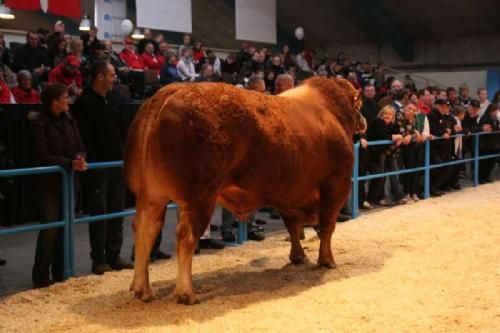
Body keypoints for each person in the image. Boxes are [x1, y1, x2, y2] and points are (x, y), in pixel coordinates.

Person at [73, 61, 133, 275]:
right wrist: (92, 161)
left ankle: (114, 254)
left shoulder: (116, 100)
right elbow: (83, 136)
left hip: (117, 164)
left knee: (117, 211)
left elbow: (123, 130)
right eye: (111, 75)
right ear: (99, 76)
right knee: (99, 213)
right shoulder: (83, 102)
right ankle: (98, 259)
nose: (114, 78)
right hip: (97, 167)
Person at [32, 83, 87, 288]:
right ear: (54, 101)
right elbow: (41, 154)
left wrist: (80, 158)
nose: (68, 101)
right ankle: (40, 275)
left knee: (66, 227)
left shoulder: (70, 121)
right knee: (50, 229)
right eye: (65, 97)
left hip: (68, 181)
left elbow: (81, 145)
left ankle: (62, 271)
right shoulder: (41, 123)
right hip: (49, 184)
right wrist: (68, 163)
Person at [366, 105, 407, 206]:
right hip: (372, 153)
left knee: (383, 175)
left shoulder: (390, 125)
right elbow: (386, 136)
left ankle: (379, 198)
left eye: (390, 114)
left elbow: (397, 133)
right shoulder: (378, 121)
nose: (387, 116)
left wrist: (400, 137)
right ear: (381, 114)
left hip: (384, 153)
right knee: (379, 175)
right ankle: (373, 199)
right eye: (385, 113)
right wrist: (399, 137)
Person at [427, 98, 455, 196]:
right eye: (442, 106)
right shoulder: (432, 115)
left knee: (447, 166)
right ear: (437, 105)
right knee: (437, 165)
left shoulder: (442, 116)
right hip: (434, 147)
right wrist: (443, 132)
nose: (444, 108)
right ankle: (431, 187)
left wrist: (447, 130)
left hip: (443, 147)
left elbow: (445, 128)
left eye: (446, 107)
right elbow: (433, 129)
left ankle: (435, 186)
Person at [478, 103, 500, 183]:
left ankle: (487, 176)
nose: (496, 112)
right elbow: (487, 128)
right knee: (484, 162)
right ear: (490, 111)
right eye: (494, 111)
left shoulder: (496, 119)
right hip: (485, 144)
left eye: (496, 111)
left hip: (494, 144)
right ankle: (481, 178)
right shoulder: (485, 118)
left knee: (492, 162)